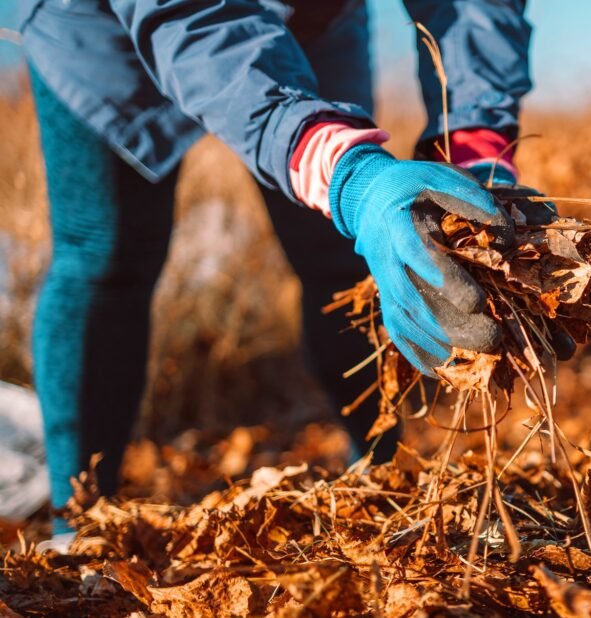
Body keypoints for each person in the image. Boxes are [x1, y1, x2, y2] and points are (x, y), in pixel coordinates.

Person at [16, 0, 537, 544]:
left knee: (338, 253)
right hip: (104, 29)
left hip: (315, 18)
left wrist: (478, 141)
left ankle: (384, 474)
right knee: (106, 256)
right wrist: (336, 164)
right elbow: (193, 19)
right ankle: (77, 526)